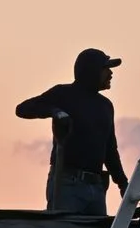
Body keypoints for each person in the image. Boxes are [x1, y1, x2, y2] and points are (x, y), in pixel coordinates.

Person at [15, 48, 129, 215]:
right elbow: (22, 109)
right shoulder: (63, 94)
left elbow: (110, 150)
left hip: (96, 187)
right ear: (92, 71)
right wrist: (54, 111)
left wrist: (123, 183)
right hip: (67, 185)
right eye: (105, 69)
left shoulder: (105, 106)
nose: (110, 73)